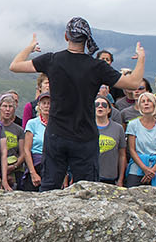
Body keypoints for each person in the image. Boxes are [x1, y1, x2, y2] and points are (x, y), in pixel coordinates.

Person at [9, 16, 148, 191]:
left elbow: (15, 65)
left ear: (67, 36)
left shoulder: (52, 60)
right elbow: (134, 83)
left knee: (50, 185)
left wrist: (29, 48)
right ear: (87, 39)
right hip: (85, 136)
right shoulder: (97, 66)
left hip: (56, 134)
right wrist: (141, 58)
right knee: (87, 188)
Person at [125, 91, 156, 187]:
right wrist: (144, 168)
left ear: (155, 104)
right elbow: (132, 149)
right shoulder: (133, 125)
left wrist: (153, 170)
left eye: (149, 101)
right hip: (137, 167)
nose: (146, 103)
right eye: (143, 101)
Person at [0, 93, 28, 189]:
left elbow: (23, 154)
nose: (7, 109)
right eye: (4, 106)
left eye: (10, 107)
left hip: (15, 170)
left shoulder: (19, 130)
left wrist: (14, 166)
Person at [94, 96, 127, 185]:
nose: (100, 106)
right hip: (89, 175)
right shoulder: (86, 127)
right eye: (96, 104)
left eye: (104, 105)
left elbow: (122, 155)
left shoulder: (118, 128)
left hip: (110, 176)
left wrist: (121, 179)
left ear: (109, 110)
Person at [24, 93, 50, 188]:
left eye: (49, 103)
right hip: (36, 163)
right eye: (44, 103)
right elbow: (26, 149)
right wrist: (33, 172)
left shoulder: (57, 125)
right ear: (39, 105)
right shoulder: (32, 123)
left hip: (52, 165)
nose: (47, 106)